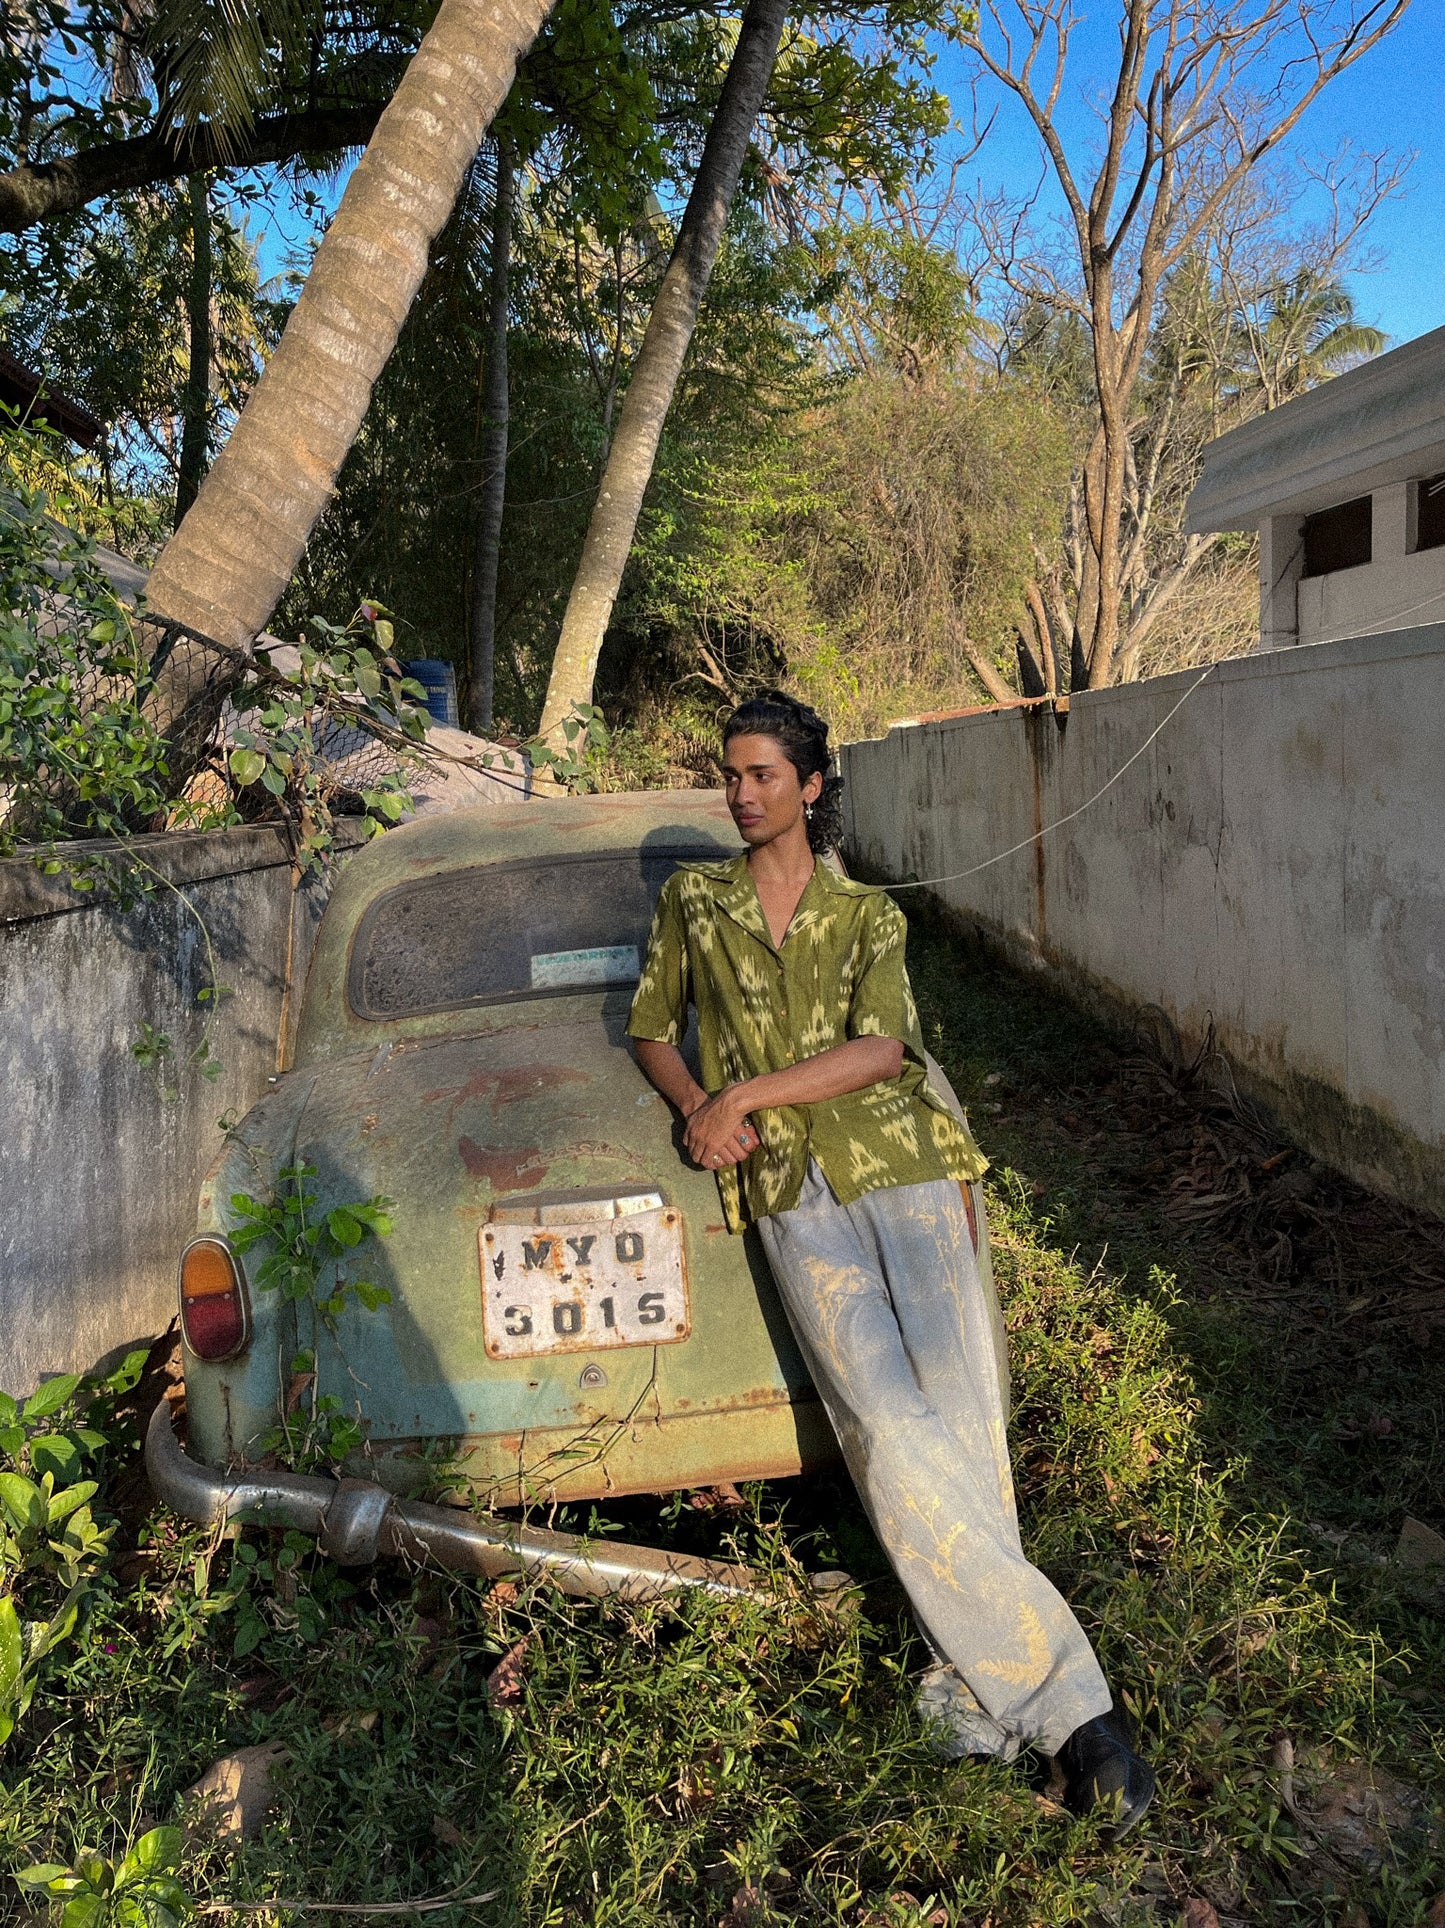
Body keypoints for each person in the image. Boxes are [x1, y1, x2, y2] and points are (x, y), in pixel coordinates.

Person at [626, 691, 1155, 1838]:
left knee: (964, 1426)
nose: (740, 790)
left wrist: (745, 1091)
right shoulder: (695, 902)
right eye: (730, 772)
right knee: (889, 1425)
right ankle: (1077, 1713)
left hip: (908, 1166)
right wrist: (693, 1112)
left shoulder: (868, 914)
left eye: (763, 773)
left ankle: (963, 1691)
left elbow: (881, 1048)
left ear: (810, 788)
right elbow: (650, 1026)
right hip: (788, 1191)